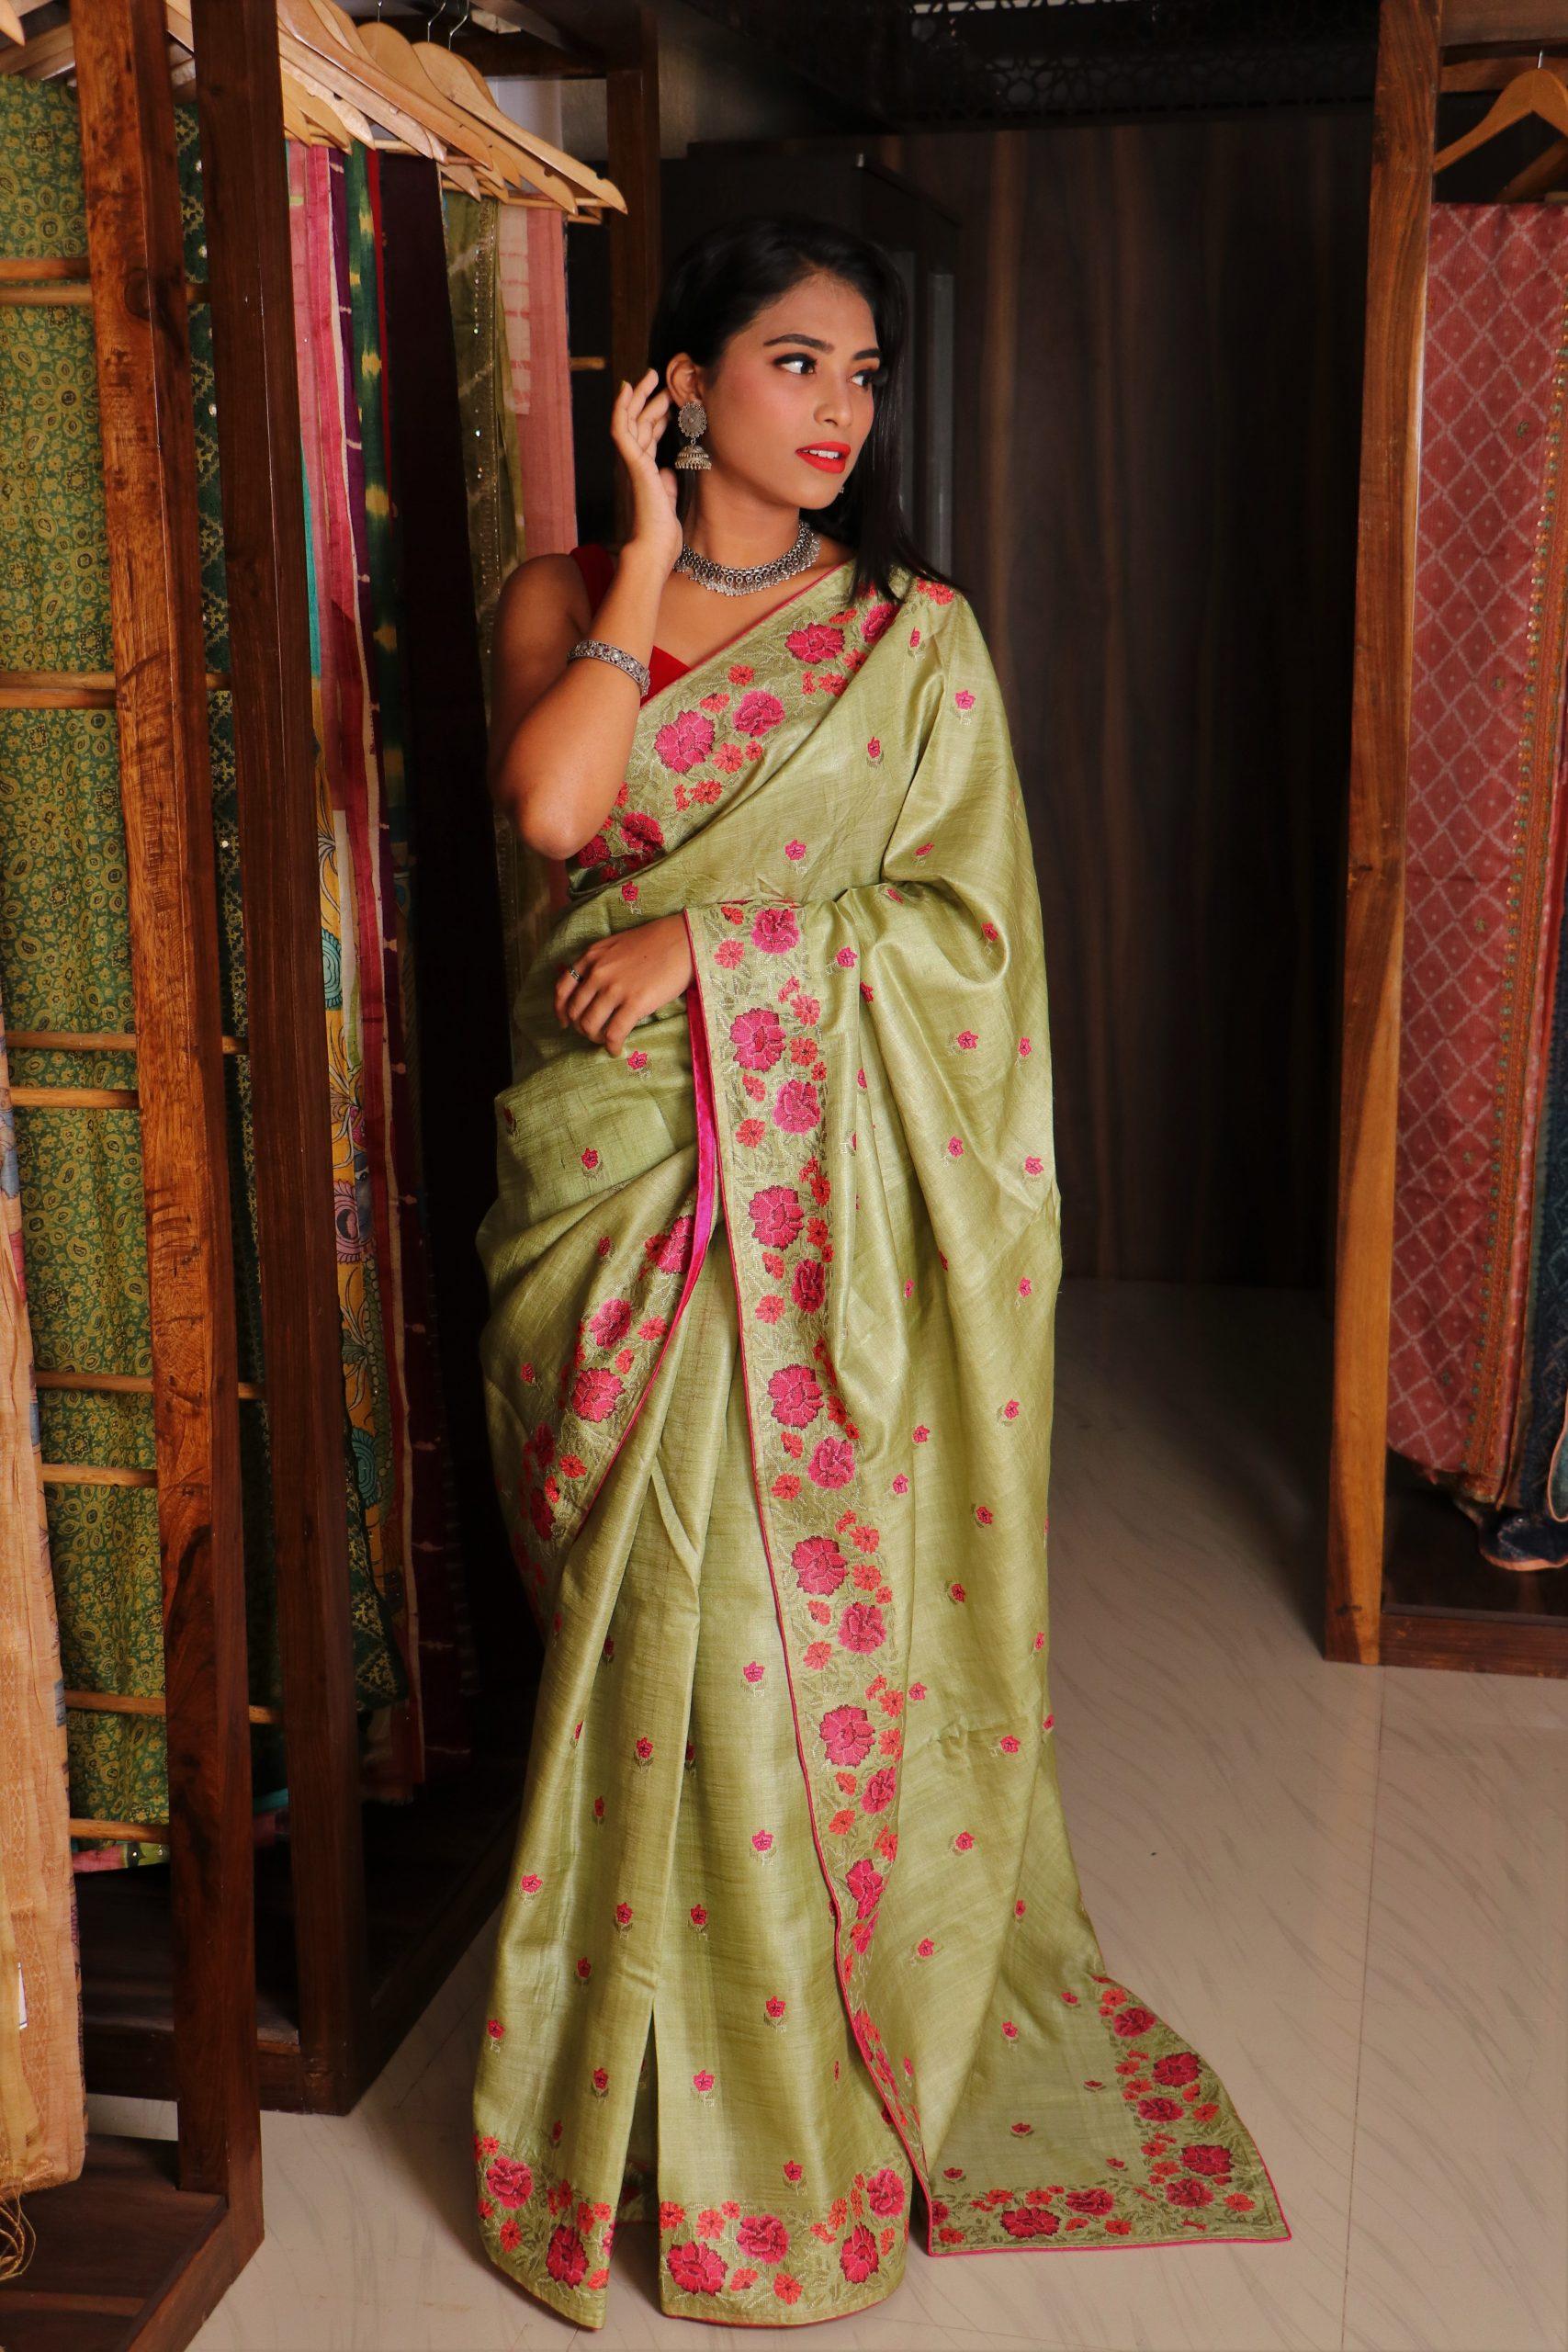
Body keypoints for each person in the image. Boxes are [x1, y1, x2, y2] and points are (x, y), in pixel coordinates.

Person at [470, 213, 1289, 2331]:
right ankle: (637, 2103)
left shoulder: (913, 638)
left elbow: (968, 943)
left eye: (862, 373)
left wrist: (727, 944)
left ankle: (784, 2142)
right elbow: (555, 812)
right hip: (607, 1195)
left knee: (743, 1632)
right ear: (679, 384)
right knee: (638, 1651)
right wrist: (646, 558)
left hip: (806, 1217)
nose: (839, 407)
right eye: (793, 361)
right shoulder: (564, 594)